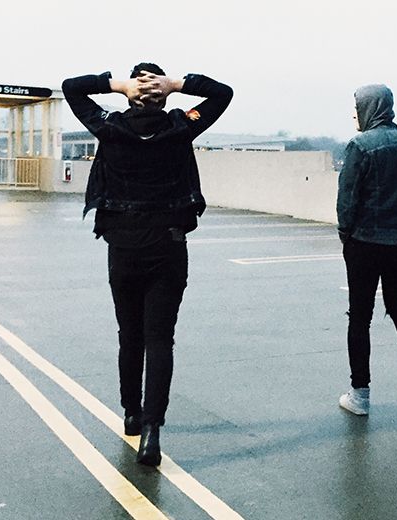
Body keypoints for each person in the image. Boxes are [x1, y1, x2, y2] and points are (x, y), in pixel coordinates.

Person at [62, 64, 232, 466]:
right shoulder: (181, 127)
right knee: (159, 339)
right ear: (163, 94)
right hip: (168, 246)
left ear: (132, 95)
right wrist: (176, 84)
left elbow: (71, 87)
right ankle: (152, 431)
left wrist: (118, 85)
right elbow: (222, 93)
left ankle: (132, 414)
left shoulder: (110, 128)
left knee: (130, 335)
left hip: (123, 246)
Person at [336, 84, 397, 416]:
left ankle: (360, 394)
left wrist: (345, 234)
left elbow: (347, 198)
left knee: (359, 316)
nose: (354, 114)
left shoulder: (360, 146)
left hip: (364, 242)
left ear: (368, 109)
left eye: (356, 108)